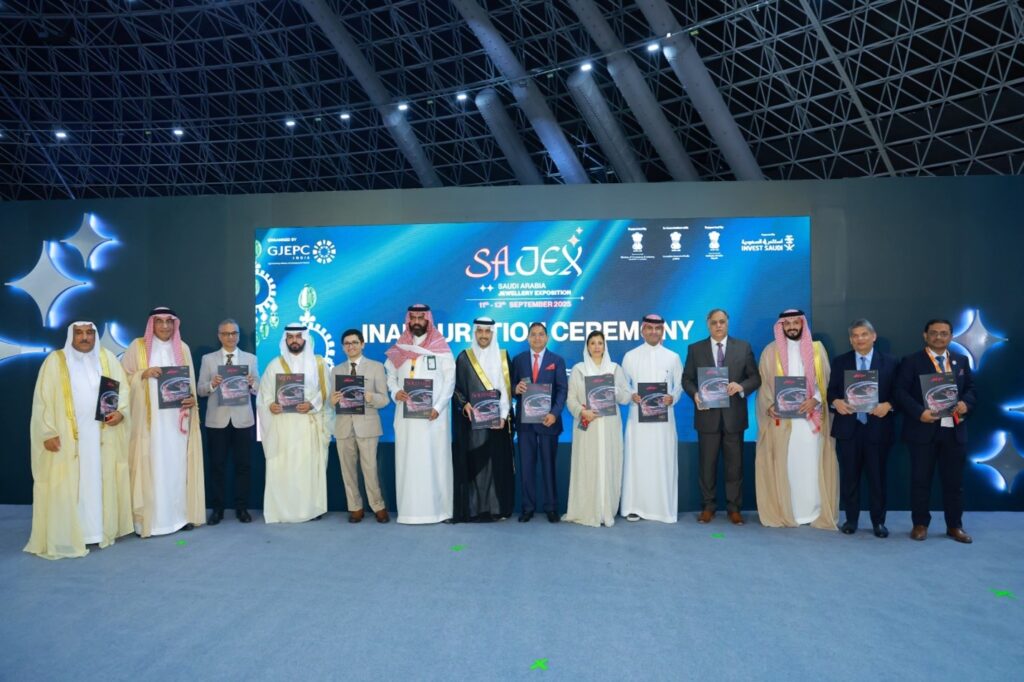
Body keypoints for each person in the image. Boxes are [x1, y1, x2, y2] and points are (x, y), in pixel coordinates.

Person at [25, 322, 133, 559]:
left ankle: (99, 531)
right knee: (68, 483)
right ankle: (69, 535)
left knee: (98, 481)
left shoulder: (106, 358)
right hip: (66, 439)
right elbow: (42, 400)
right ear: (71, 336)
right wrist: (47, 432)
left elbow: (122, 391)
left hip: (101, 437)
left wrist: (121, 413)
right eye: (79, 333)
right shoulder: (55, 361)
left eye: (89, 333)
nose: (85, 337)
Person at [122, 307, 205, 536]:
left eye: (169, 321)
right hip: (149, 423)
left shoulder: (182, 348)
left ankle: (180, 517)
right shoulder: (137, 347)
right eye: (159, 321)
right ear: (152, 324)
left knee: (177, 467)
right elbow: (123, 378)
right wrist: (143, 374)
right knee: (152, 465)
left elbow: (189, 382)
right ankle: (149, 522)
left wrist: (191, 399)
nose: (165, 326)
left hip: (177, 422)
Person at [755, 309, 838, 530]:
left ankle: (813, 511)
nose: (792, 326)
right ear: (781, 326)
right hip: (783, 422)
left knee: (811, 466)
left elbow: (827, 381)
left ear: (802, 324)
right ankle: (788, 510)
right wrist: (770, 405)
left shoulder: (817, 350)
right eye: (787, 323)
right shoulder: (770, 352)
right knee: (788, 465)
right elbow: (764, 386)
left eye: (795, 322)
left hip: (811, 420)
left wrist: (815, 399)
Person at [894, 318, 976, 543]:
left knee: (954, 483)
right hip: (923, 430)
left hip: (954, 431)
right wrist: (919, 412)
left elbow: (971, 388)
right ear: (925, 335)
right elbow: (900, 392)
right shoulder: (911, 361)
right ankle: (920, 524)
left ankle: (954, 526)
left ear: (951, 336)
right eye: (934, 333)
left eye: (944, 333)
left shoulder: (961, 361)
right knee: (920, 481)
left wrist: (966, 404)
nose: (938, 337)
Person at [682, 308, 761, 525]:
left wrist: (741, 386)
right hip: (707, 417)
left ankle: (734, 508)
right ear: (708, 324)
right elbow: (686, 379)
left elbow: (755, 378)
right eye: (714, 322)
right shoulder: (695, 349)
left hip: (734, 417)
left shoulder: (743, 347)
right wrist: (695, 394)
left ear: (728, 323)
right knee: (707, 466)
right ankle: (708, 507)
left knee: (734, 466)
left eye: (722, 322)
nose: (718, 325)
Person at [385, 304, 456, 524]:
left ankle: (440, 511)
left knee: (435, 462)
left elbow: (450, 382)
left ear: (428, 320)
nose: (416, 321)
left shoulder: (441, 349)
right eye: (413, 318)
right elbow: (390, 376)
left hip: (433, 417)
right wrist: (395, 391)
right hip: (406, 418)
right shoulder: (400, 347)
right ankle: (409, 512)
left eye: (420, 318)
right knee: (409, 461)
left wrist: (438, 407)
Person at [826, 319, 898, 538]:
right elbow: (831, 391)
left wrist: (889, 405)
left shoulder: (891, 362)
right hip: (849, 429)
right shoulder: (840, 362)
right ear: (850, 340)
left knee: (877, 479)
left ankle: (879, 522)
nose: (860, 339)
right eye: (855, 336)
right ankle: (851, 520)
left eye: (864, 334)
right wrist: (836, 402)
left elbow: (900, 392)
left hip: (878, 429)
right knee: (850, 478)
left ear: (873, 336)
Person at [257, 324, 330, 523]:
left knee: (306, 468)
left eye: (298, 336)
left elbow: (326, 392)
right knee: (284, 468)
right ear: (285, 340)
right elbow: (264, 394)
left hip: (307, 425)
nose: (295, 340)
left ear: (305, 338)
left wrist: (311, 405)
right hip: (283, 426)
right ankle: (283, 510)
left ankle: (309, 509)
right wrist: (270, 405)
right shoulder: (274, 365)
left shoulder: (318, 363)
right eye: (290, 337)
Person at [563, 330, 631, 527]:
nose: (596, 346)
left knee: (609, 464)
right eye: (592, 343)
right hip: (587, 426)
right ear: (587, 346)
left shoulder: (614, 369)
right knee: (587, 465)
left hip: (609, 426)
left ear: (605, 346)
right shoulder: (578, 370)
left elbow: (626, 397)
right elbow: (570, 399)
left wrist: (614, 391)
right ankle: (587, 510)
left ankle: (605, 511)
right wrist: (581, 412)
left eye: (600, 342)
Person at [620, 314, 683, 523]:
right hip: (638, 420)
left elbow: (679, 385)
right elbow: (623, 385)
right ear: (642, 331)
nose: (653, 332)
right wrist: (632, 395)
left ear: (662, 331)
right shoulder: (630, 356)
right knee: (637, 461)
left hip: (664, 421)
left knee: (662, 460)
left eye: (658, 329)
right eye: (649, 328)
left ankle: (663, 509)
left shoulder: (673, 357)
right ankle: (634, 507)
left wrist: (672, 398)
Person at [452, 317, 514, 523]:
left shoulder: (503, 357)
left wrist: (503, 416)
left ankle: (495, 509)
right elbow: (456, 388)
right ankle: (474, 509)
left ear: (492, 334)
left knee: (495, 464)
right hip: (473, 424)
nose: (484, 335)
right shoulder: (464, 357)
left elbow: (506, 390)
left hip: (497, 423)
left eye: (487, 332)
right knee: (475, 462)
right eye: (480, 331)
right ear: (475, 333)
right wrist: (464, 404)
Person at [197, 318, 258, 525]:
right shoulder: (208, 359)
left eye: (234, 333)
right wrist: (212, 384)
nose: (230, 337)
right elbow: (200, 390)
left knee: (244, 466)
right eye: (226, 333)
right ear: (219, 336)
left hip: (243, 420)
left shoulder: (250, 359)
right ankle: (217, 509)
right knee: (217, 466)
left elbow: (259, 388)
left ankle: (242, 508)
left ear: (238, 335)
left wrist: (252, 384)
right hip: (217, 421)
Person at [330, 328, 391, 524]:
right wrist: (332, 400)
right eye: (347, 343)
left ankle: (378, 506)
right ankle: (355, 507)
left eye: (355, 342)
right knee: (347, 470)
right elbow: (331, 401)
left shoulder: (376, 367)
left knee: (370, 469)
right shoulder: (336, 370)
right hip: (343, 426)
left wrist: (370, 397)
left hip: (368, 426)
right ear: (343, 347)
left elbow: (385, 400)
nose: (351, 346)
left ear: (362, 344)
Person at [511, 322, 568, 523]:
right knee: (526, 466)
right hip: (525, 423)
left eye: (541, 334)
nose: (537, 338)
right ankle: (528, 508)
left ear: (547, 338)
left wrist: (554, 413)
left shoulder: (557, 361)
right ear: (528, 338)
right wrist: (515, 389)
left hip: (548, 421)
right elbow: (511, 386)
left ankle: (551, 507)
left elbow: (562, 390)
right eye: (533, 334)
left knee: (549, 466)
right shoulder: (518, 360)